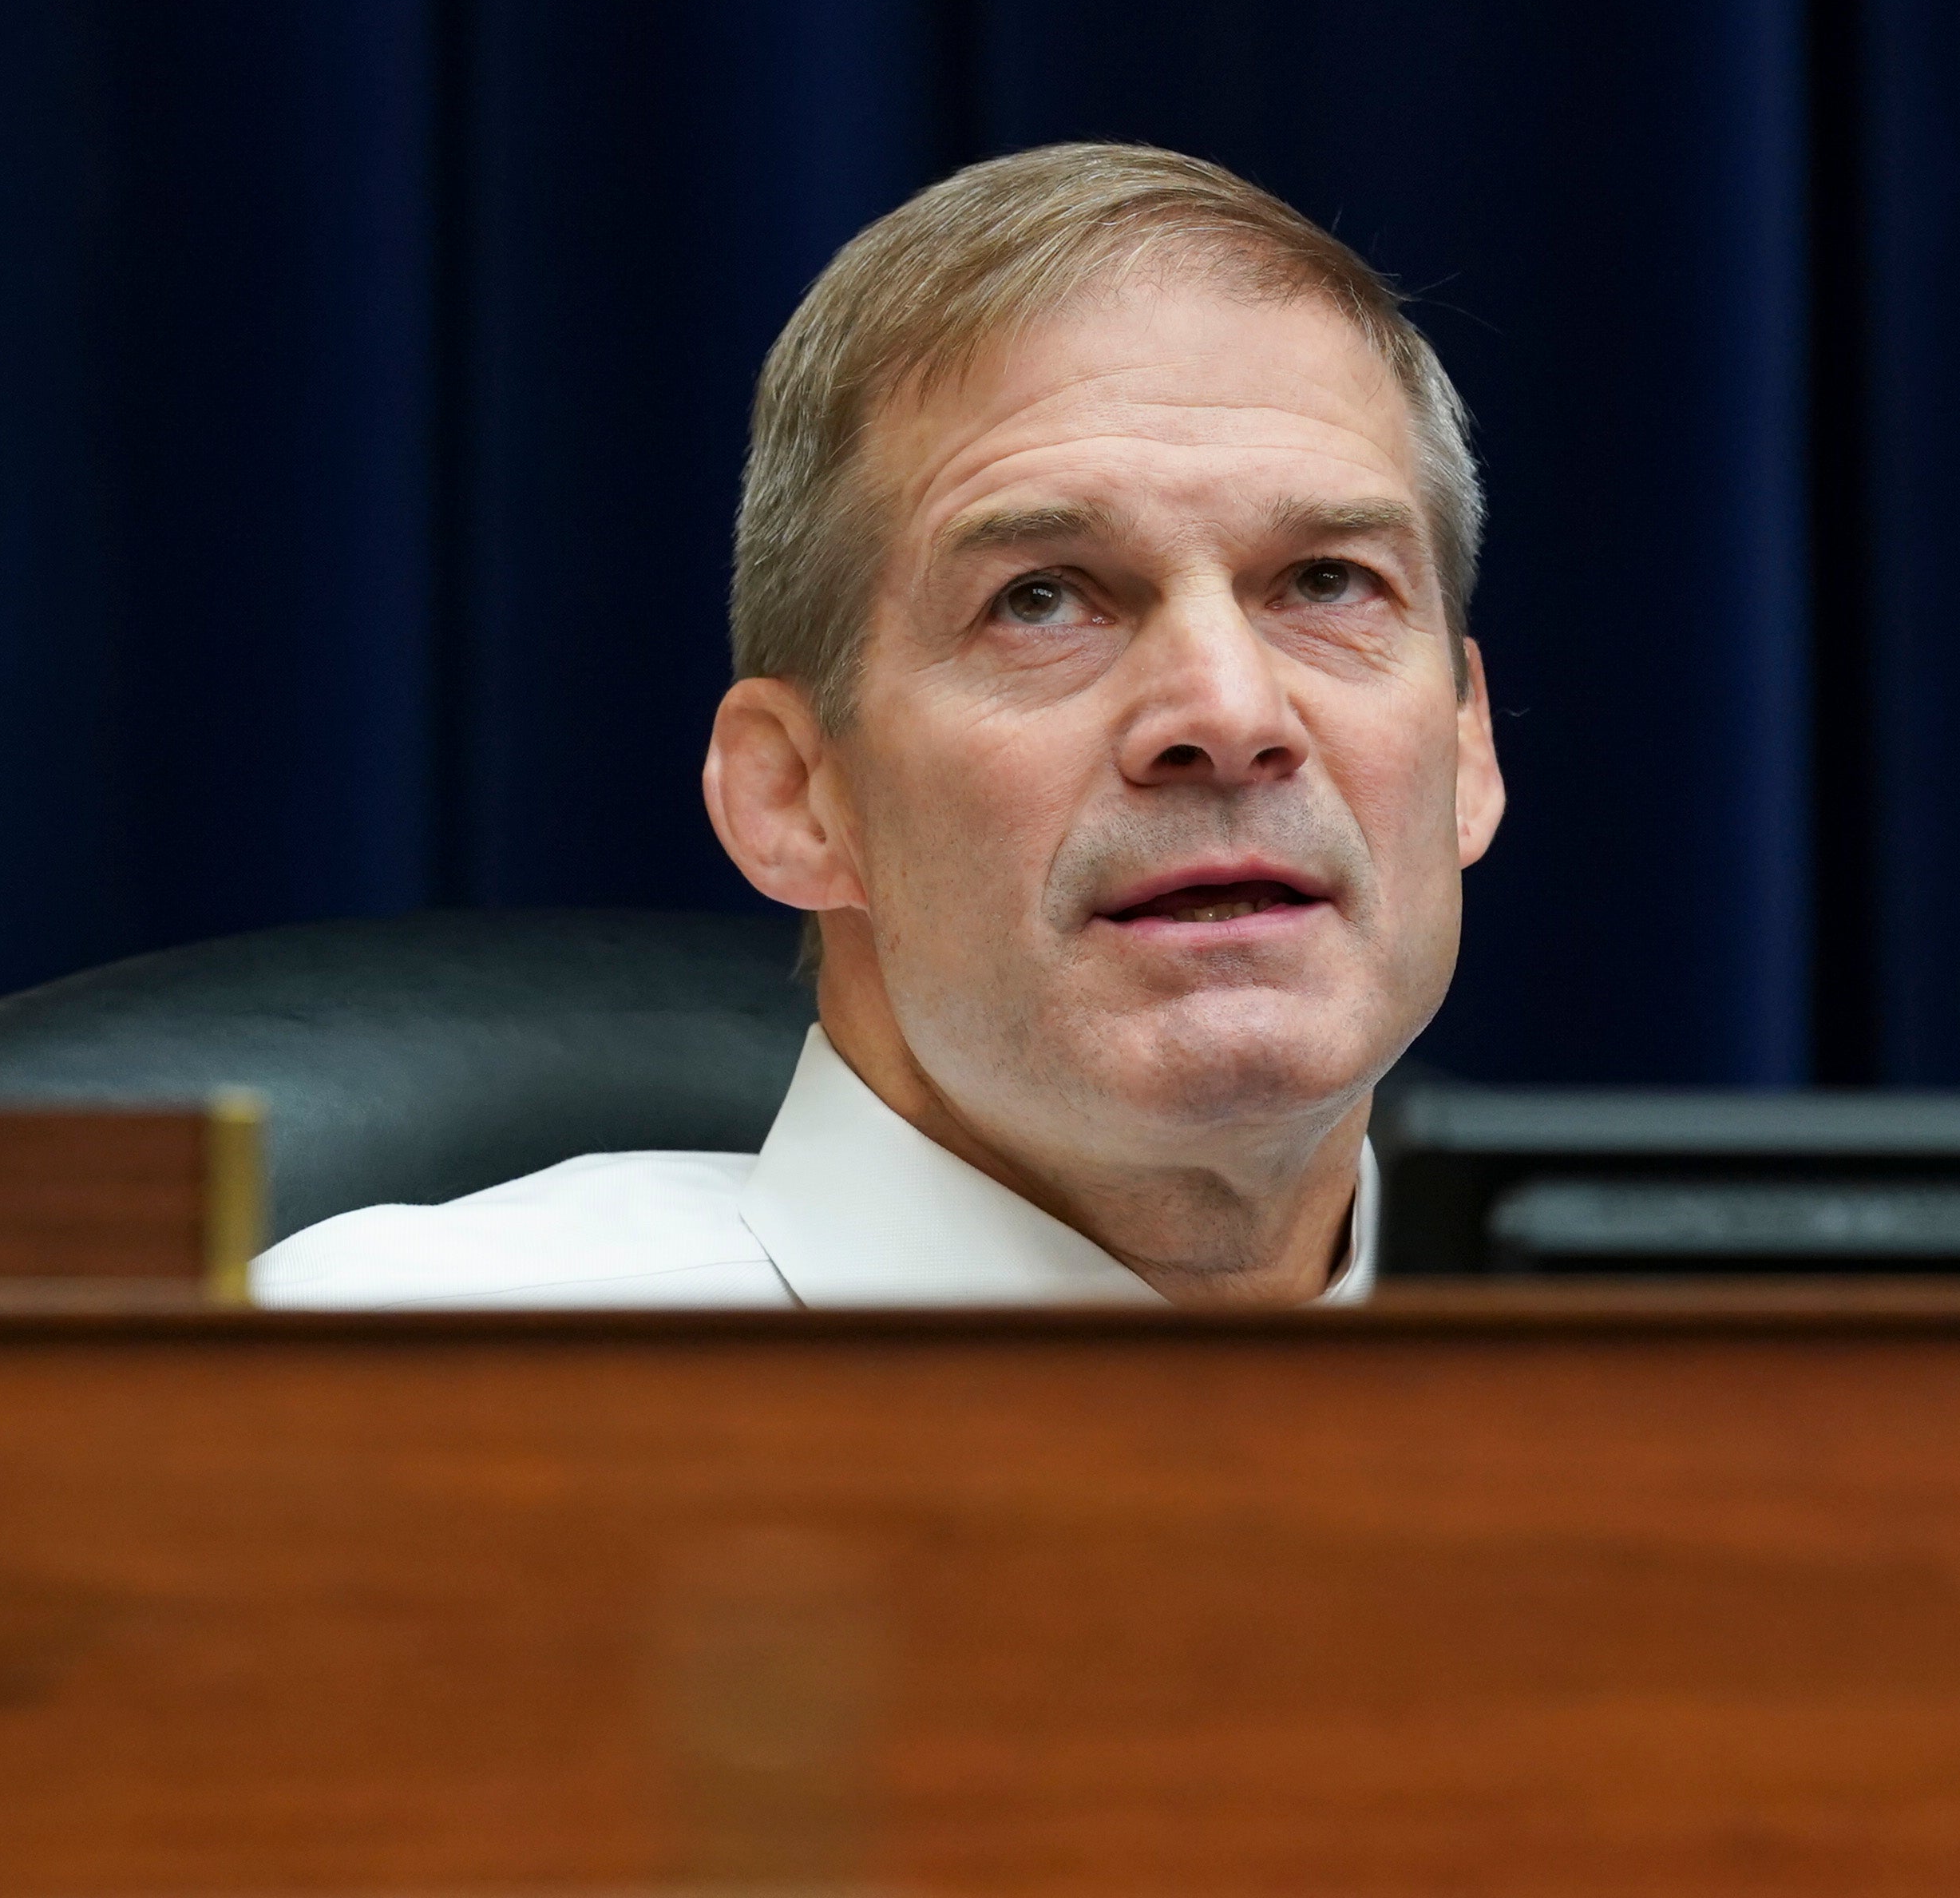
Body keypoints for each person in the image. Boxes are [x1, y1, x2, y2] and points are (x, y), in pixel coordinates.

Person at [253, 144, 1503, 1310]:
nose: (1230, 715)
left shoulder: (1677, 1421)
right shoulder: (374, 1386)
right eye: (1042, 600)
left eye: (1330, 584)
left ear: (1465, 752)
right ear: (794, 795)